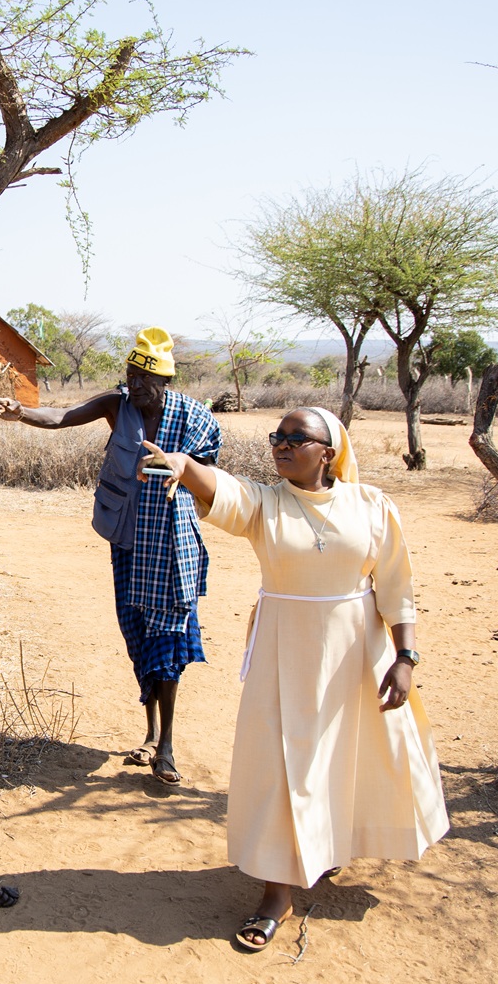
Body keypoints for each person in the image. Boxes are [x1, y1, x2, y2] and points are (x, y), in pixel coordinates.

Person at [138, 407, 448, 951]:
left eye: (295, 438)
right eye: (276, 438)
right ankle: (276, 894)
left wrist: (406, 657)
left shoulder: (372, 505)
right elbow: (223, 489)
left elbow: (397, 584)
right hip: (285, 654)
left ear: (328, 451)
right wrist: (183, 464)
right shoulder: (267, 502)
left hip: (357, 654)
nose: (281, 445)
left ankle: (324, 849)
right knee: (282, 766)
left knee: (343, 758)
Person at [0, 327, 221, 785]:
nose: (133, 386)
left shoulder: (193, 418)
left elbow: (209, 476)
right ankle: (152, 731)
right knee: (138, 636)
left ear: (165, 383)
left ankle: (167, 747)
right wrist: (22, 413)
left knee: (168, 638)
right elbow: (63, 415)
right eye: (130, 375)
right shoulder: (117, 405)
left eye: (143, 380)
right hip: (129, 541)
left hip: (173, 545)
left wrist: (182, 471)